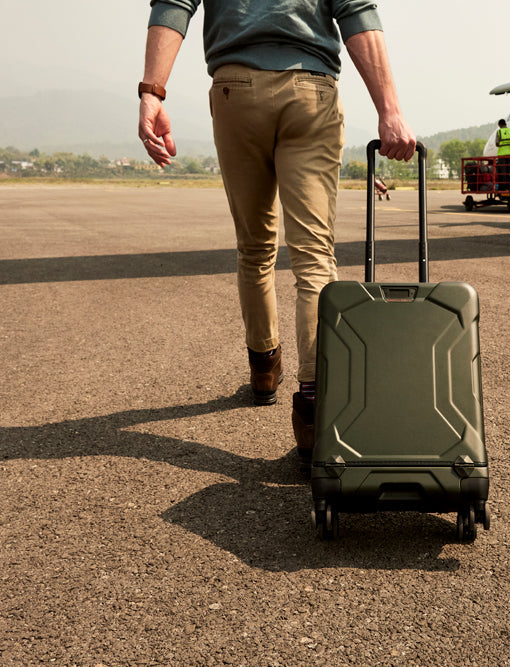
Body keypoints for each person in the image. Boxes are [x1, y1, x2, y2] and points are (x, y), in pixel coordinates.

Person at [138, 0, 416, 468]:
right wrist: (389, 110)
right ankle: (313, 406)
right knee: (313, 256)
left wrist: (152, 91)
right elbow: (358, 12)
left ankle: (264, 370)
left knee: (254, 249)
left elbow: (174, 5)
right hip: (310, 90)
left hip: (235, 89)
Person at [495, 119, 510, 191]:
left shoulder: (499, 132)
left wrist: (502, 144)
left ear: (500, 125)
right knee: (509, 170)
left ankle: (503, 187)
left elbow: (497, 143)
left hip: (502, 154)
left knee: (502, 171)